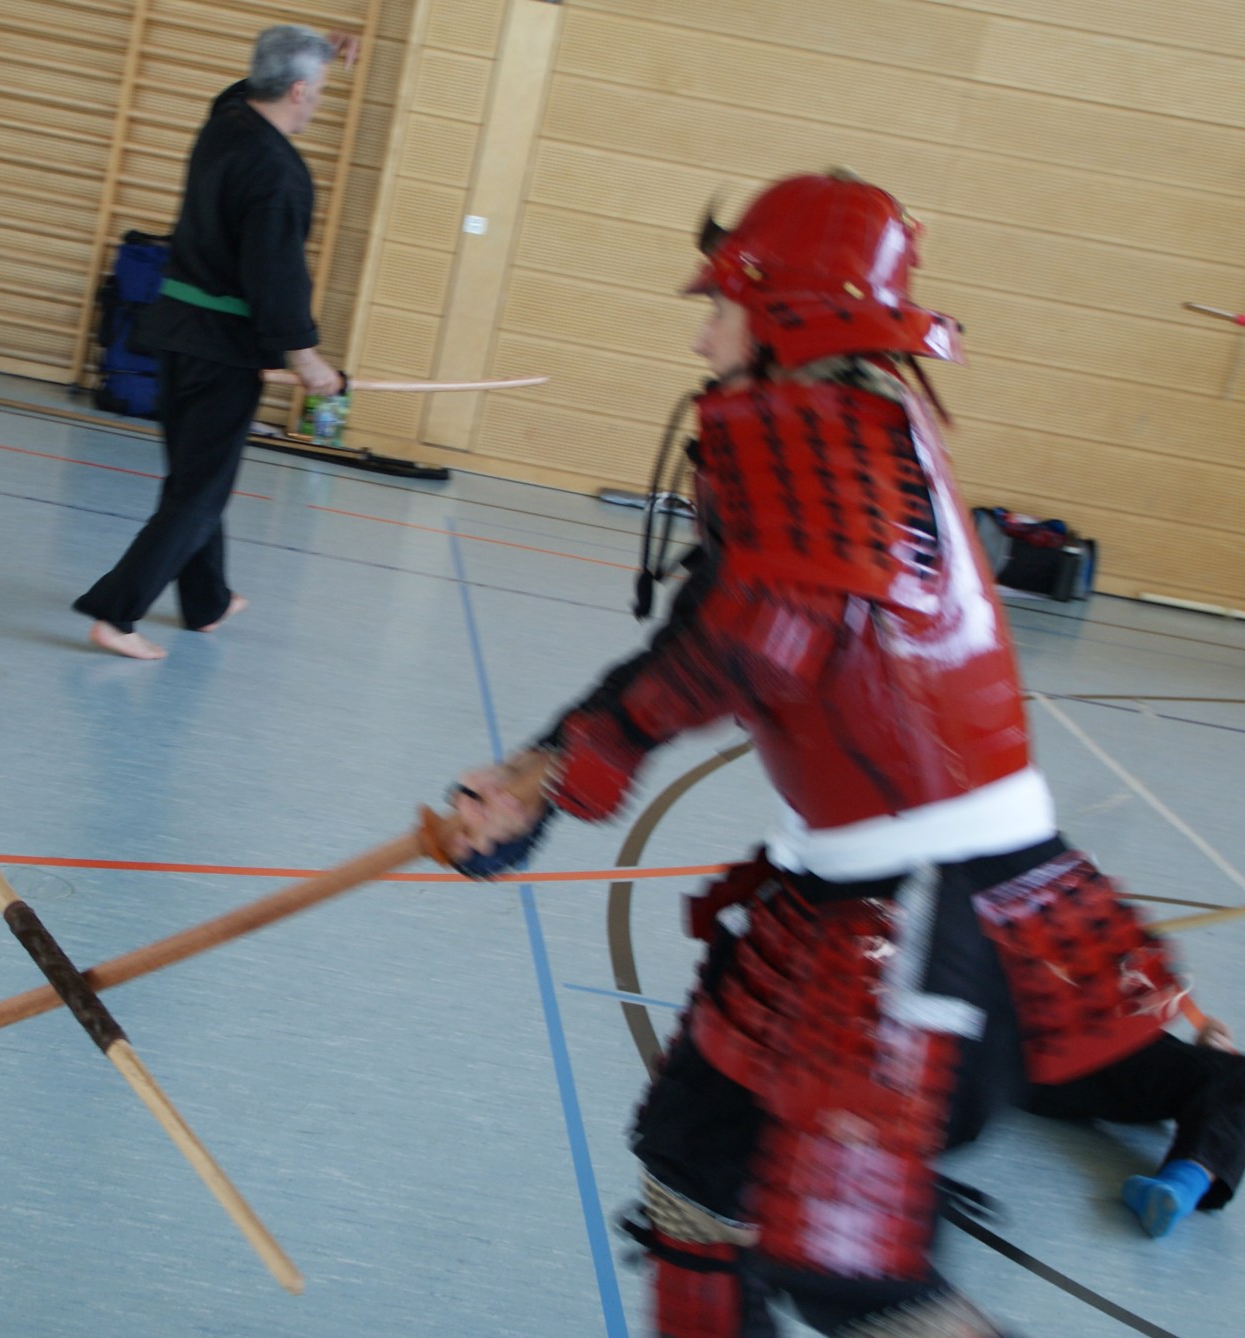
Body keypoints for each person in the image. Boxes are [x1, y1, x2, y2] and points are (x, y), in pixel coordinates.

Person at [440, 171, 1188, 1335]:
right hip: (851, 890)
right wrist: (538, 765)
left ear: (787, 308)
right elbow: (708, 622)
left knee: (842, 1263)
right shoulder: (839, 440)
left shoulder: (828, 439)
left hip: (931, 906)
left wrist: (553, 779)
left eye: (721, 304)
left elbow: (753, 643)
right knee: (692, 1170)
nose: (702, 334)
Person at [74, 24, 350, 660]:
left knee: (198, 477)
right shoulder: (279, 173)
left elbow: (240, 89)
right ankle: (115, 614)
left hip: (174, 331)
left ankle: (208, 600)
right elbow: (276, 278)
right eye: (319, 89)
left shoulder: (225, 122)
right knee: (200, 492)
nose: (319, 102)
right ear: (299, 90)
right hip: (220, 349)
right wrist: (307, 359)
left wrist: (323, 52)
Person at [1025, 1005, 1245, 1239]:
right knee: (1226, 1075)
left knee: (1228, 1073)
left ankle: (1181, 1184)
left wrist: (1211, 1060)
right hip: (1042, 1041)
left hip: (1089, 1028)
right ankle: (1183, 1184)